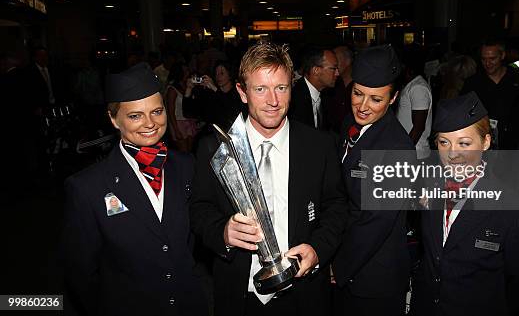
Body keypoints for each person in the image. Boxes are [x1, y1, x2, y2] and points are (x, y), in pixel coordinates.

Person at [190, 42, 348, 316]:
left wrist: (317, 249)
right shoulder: (215, 148)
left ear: (292, 87)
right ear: (242, 92)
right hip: (240, 295)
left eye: (281, 88)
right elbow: (199, 209)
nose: (273, 101)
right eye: (260, 89)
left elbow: (336, 206)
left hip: (304, 294)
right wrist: (223, 231)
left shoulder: (319, 145)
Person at [61, 62, 207, 316]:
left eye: (157, 111)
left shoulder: (186, 166)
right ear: (113, 119)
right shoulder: (87, 188)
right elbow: (81, 274)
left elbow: (201, 228)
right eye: (135, 115)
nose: (150, 123)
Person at [410, 91, 519, 316]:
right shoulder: (430, 189)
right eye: (443, 142)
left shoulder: (515, 205)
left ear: (486, 142)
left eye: (464, 143)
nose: (453, 154)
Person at [332, 45, 416, 316]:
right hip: (348, 258)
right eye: (358, 94)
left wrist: (338, 265)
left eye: (376, 99)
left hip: (375, 277)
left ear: (393, 99)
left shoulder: (397, 149)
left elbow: (375, 223)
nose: (363, 107)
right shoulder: (349, 123)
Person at [462, 41, 519, 149]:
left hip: (516, 144)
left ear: (502, 56)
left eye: (492, 58)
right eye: (484, 59)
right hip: (485, 144)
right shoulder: (472, 83)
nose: (487, 63)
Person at [289, 47, 339, 130]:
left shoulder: (327, 96)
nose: (337, 73)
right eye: (333, 69)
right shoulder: (294, 100)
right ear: (316, 70)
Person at [396, 50, 433, 159]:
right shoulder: (412, 85)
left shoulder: (418, 88)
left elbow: (418, 127)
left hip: (416, 152)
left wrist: (406, 152)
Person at [165, 63, 199, 152]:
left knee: (190, 151)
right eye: (186, 71)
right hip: (178, 122)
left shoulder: (187, 86)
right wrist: (175, 129)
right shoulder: (172, 89)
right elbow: (170, 111)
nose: (188, 72)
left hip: (189, 121)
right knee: (183, 152)